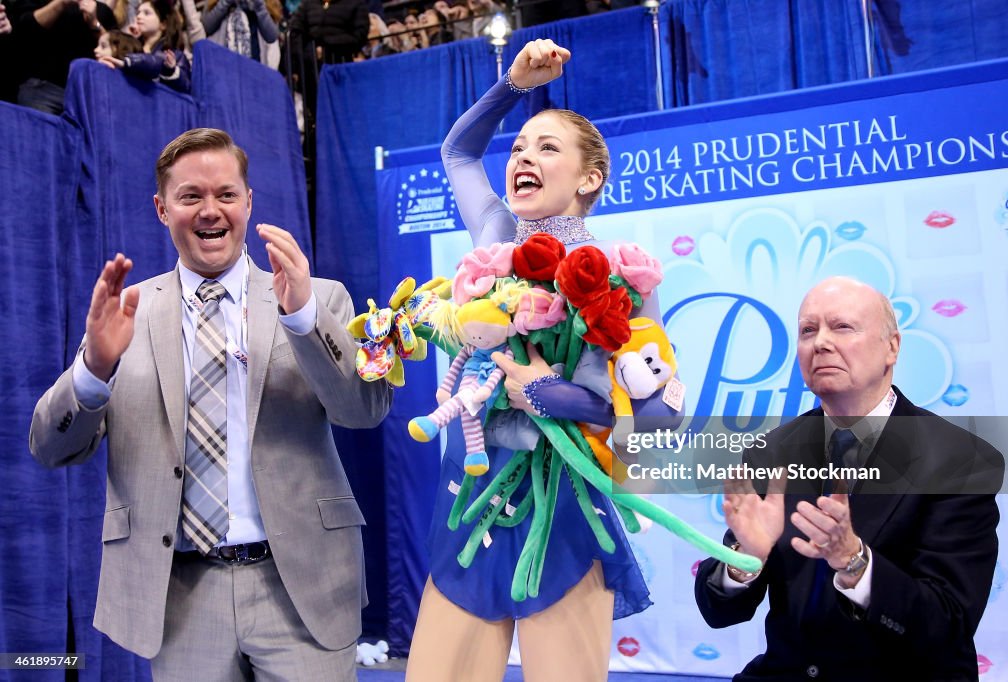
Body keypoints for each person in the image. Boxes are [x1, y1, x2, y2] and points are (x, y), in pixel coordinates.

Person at [29, 128, 392, 681]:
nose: (210, 210)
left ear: (248, 201)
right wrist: (94, 371)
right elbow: (51, 448)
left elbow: (363, 410)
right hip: (179, 595)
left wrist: (302, 320)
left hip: (303, 586)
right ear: (161, 208)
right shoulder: (129, 313)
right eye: (190, 196)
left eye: (225, 194)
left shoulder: (317, 297)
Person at [406, 39, 677, 681]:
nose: (524, 156)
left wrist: (545, 393)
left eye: (547, 148)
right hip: (475, 493)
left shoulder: (620, 277)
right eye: (521, 146)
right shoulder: (494, 235)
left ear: (590, 179)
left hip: (564, 502)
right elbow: (459, 151)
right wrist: (512, 85)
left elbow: (648, 408)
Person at [694, 276, 1004, 682]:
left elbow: (947, 627)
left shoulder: (961, 458)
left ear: (892, 347)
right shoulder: (771, 452)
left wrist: (856, 563)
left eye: (841, 327)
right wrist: (746, 560)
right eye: (808, 330)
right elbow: (719, 612)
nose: (820, 342)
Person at [11, 0, 117, 113]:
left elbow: (115, 49)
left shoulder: (102, 9)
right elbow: (24, 29)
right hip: (41, 88)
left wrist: (94, 22)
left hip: (84, 95)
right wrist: (60, 3)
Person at [97, 0, 191, 93]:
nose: (138, 17)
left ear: (163, 24)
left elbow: (186, 86)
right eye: (138, 13)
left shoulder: (176, 55)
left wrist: (171, 70)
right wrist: (129, 40)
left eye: (146, 13)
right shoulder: (134, 48)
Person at [202, 0, 282, 69]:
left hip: (254, 67)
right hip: (222, 66)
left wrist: (259, 6)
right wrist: (225, 2)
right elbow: (207, 27)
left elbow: (272, 36)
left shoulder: (266, 3)